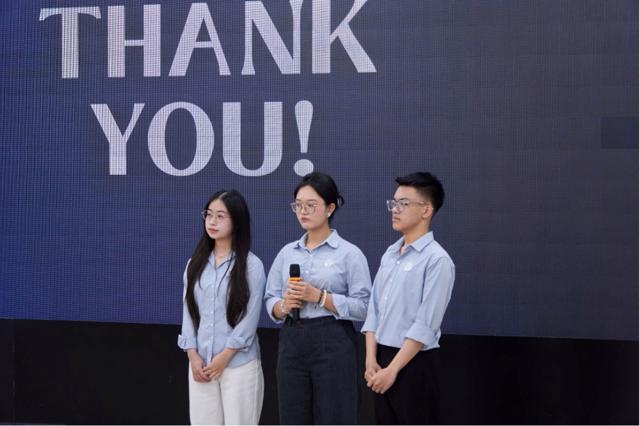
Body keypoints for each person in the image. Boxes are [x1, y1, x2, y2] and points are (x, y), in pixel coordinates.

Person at [264, 172, 372, 425]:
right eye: (298, 205)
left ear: (330, 208)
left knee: (335, 415)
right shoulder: (287, 253)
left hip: (333, 340)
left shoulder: (349, 254)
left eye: (311, 205)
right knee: (292, 415)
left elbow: (365, 307)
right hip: (292, 340)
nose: (303, 211)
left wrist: (321, 297)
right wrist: (283, 306)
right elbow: (270, 298)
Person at [362, 172, 455, 424]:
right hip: (381, 361)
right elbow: (374, 311)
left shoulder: (437, 260)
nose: (395, 209)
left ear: (426, 210)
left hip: (414, 364)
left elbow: (425, 325)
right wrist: (370, 360)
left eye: (403, 203)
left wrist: (393, 370)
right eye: (393, 203)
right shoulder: (390, 254)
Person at [178, 190, 266, 425]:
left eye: (220, 216)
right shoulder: (194, 264)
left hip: (239, 365)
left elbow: (249, 319)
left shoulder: (251, 266)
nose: (212, 222)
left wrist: (225, 356)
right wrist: (192, 354)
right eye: (208, 215)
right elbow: (188, 311)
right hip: (201, 365)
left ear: (236, 221)